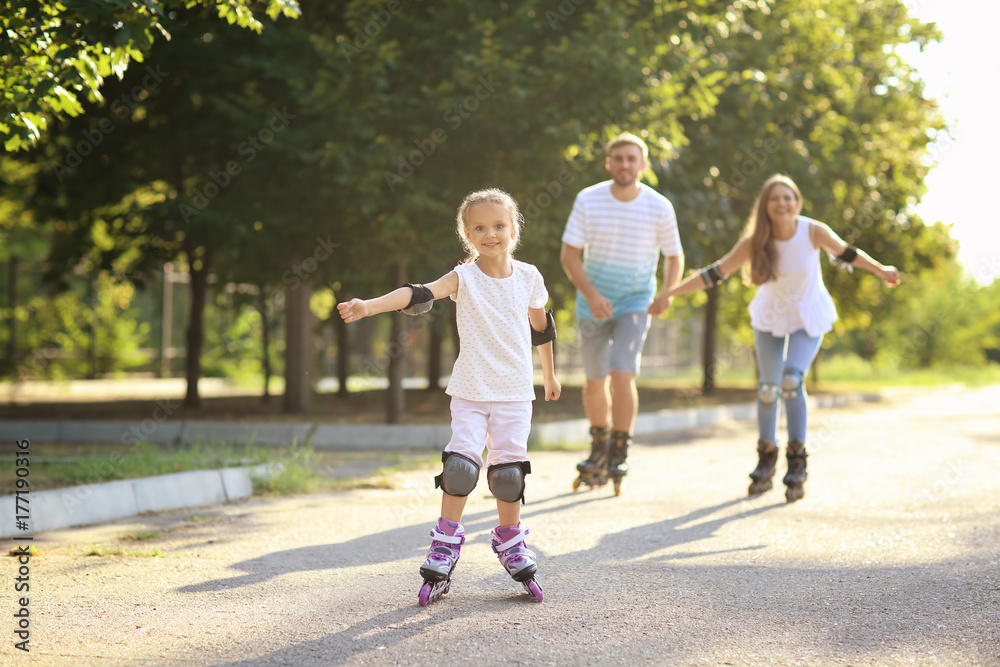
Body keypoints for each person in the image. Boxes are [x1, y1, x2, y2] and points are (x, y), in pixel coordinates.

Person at [337, 188, 560, 604]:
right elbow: (419, 293)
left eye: (498, 226)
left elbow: (541, 326)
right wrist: (369, 306)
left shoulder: (530, 276)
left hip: (514, 393)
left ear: (514, 229)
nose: (490, 233)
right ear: (467, 234)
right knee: (461, 466)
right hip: (472, 390)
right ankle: (444, 545)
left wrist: (549, 374)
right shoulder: (465, 277)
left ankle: (511, 543)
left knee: (508, 473)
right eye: (479, 227)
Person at [664, 173, 900, 502]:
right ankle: (765, 457)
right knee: (767, 389)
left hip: (808, 314)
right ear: (765, 206)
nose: (782, 203)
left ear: (797, 202)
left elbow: (847, 253)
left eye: (788, 197)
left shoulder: (812, 230)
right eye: (775, 198)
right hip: (770, 316)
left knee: (791, 381)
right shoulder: (754, 241)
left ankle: (797, 461)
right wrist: (670, 293)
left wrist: (880, 269)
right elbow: (715, 273)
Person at [560, 132, 684, 492]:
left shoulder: (659, 206)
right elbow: (569, 256)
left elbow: (675, 256)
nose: (625, 165)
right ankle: (598, 448)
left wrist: (668, 293)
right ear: (609, 163)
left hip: (635, 302)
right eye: (619, 159)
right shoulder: (588, 199)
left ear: (643, 164)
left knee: (621, 372)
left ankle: (619, 450)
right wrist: (593, 296)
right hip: (591, 303)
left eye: (632, 159)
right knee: (594, 380)